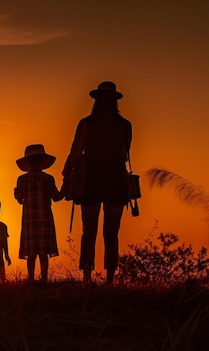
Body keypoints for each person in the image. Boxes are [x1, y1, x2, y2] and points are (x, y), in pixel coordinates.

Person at [62, 81, 133, 285]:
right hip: (116, 179)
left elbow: (75, 151)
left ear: (96, 100)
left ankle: (86, 277)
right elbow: (126, 151)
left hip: (91, 179)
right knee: (111, 233)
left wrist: (67, 172)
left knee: (89, 231)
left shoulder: (86, 123)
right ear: (114, 101)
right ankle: (109, 279)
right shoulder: (125, 125)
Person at [14, 144, 64, 283]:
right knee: (43, 253)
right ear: (43, 161)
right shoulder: (48, 179)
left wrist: (17, 194)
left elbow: (19, 199)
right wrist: (67, 188)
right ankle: (44, 279)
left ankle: (31, 278)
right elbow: (57, 197)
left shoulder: (22, 179)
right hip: (45, 220)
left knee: (31, 253)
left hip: (29, 221)